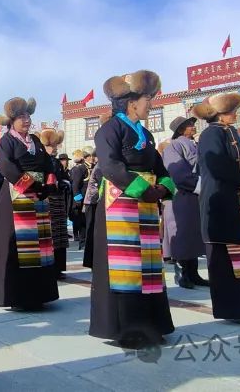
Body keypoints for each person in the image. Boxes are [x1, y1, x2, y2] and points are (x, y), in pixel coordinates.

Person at [90, 71, 176, 349]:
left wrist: (162, 188)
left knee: (149, 267)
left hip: (146, 206)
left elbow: (160, 168)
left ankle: (152, 324)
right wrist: (143, 189)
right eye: (147, 99)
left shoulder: (146, 134)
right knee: (125, 267)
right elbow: (111, 167)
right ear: (131, 103)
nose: (151, 104)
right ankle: (127, 329)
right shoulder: (109, 130)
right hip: (121, 206)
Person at [194, 94, 240, 324]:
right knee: (225, 260)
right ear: (220, 114)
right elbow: (218, 165)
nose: (236, 114)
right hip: (221, 204)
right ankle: (232, 310)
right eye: (232, 111)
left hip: (239, 202)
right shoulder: (211, 134)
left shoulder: (231, 132)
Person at [0, 98, 61, 309]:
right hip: (16, 197)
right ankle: (19, 297)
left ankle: (40, 294)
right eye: (21, 116)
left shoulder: (35, 141)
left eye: (28, 116)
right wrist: (32, 185)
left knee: (41, 246)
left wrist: (49, 184)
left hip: (38, 199)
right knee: (18, 246)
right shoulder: (6, 142)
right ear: (12, 120)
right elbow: (6, 167)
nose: (26, 120)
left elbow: (48, 165)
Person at [162, 115, 207, 289]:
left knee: (194, 236)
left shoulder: (194, 144)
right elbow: (178, 173)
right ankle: (182, 275)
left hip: (195, 195)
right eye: (189, 124)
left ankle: (193, 274)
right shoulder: (174, 146)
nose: (193, 126)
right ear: (180, 129)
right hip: (182, 195)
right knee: (182, 235)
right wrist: (201, 186)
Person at [40, 128, 72, 279]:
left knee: (60, 236)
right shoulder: (41, 160)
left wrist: (64, 182)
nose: (54, 148)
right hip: (48, 199)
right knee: (50, 235)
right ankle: (50, 268)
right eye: (50, 146)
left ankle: (58, 268)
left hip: (59, 200)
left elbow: (65, 177)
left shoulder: (57, 162)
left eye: (55, 145)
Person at [81, 149, 102, 267]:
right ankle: (90, 260)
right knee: (91, 230)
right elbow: (76, 185)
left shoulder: (99, 166)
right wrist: (77, 200)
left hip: (94, 201)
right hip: (92, 202)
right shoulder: (99, 167)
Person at [69, 149, 90, 247]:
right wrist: (78, 200)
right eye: (89, 156)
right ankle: (82, 242)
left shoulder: (88, 167)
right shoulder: (79, 168)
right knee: (82, 221)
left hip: (87, 198)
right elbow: (75, 186)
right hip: (81, 199)